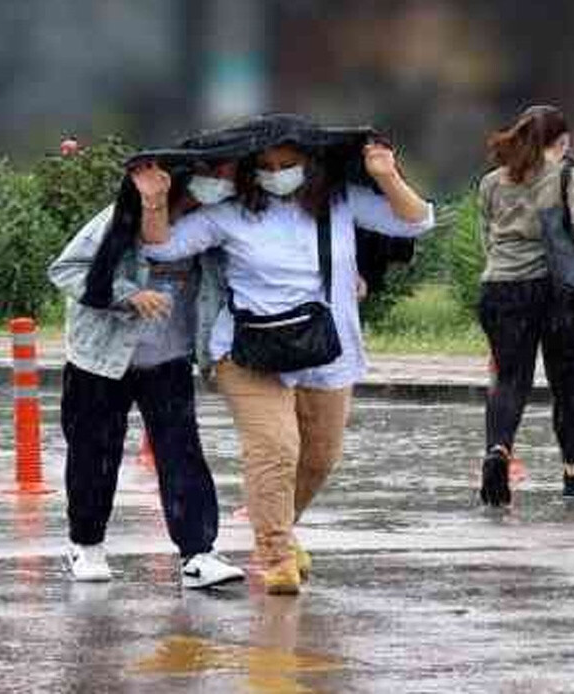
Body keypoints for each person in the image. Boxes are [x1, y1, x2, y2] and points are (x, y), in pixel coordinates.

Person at [131, 114, 435, 594]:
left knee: (319, 456)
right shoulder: (230, 214)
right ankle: (274, 556)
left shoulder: (338, 203)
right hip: (247, 351)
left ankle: (282, 528)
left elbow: (417, 220)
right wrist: (153, 203)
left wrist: (386, 175)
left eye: (287, 163)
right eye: (267, 164)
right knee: (275, 449)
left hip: (328, 347)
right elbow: (163, 248)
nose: (277, 172)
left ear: (310, 164)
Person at [48, 155, 246, 589]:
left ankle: (198, 553)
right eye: (213, 178)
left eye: (227, 180)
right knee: (95, 456)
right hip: (100, 360)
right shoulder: (119, 219)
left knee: (182, 456)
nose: (219, 187)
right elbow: (66, 268)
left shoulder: (211, 230)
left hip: (168, 359)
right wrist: (127, 294)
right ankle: (86, 545)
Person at [475, 105, 574, 507]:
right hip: (558, 293)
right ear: (563, 141)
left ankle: (498, 451)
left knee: (509, 379)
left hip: (501, 289)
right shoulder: (573, 176)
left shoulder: (492, 181)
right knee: (568, 382)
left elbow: (487, 234)